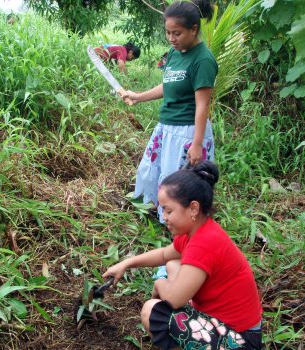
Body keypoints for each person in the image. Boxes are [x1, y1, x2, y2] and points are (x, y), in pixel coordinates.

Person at [103, 161, 263, 350]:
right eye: (163, 210)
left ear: (193, 208)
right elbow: (164, 254)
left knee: (151, 310)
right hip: (224, 324)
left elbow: (172, 300)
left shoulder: (204, 243)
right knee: (172, 264)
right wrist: (126, 264)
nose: (164, 217)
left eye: (169, 210)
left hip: (240, 340)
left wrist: (159, 283)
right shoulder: (196, 232)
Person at [121, 0, 217, 222]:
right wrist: (138, 96)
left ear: (194, 30)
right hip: (166, 127)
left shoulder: (203, 60)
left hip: (187, 131)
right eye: (168, 33)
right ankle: (153, 211)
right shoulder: (174, 53)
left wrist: (196, 144)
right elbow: (168, 85)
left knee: (179, 184)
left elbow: (203, 104)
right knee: (151, 170)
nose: (171, 38)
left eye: (177, 33)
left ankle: (178, 226)